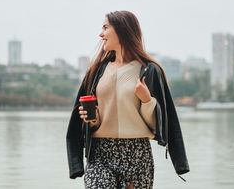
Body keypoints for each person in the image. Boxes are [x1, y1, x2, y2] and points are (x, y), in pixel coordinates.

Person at [66, 11, 189, 189]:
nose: (101, 34)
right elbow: (84, 125)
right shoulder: (96, 71)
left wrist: (147, 100)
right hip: (100, 153)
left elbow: (159, 125)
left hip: (137, 154)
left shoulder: (149, 71)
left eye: (105, 27)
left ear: (122, 30)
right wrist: (92, 119)